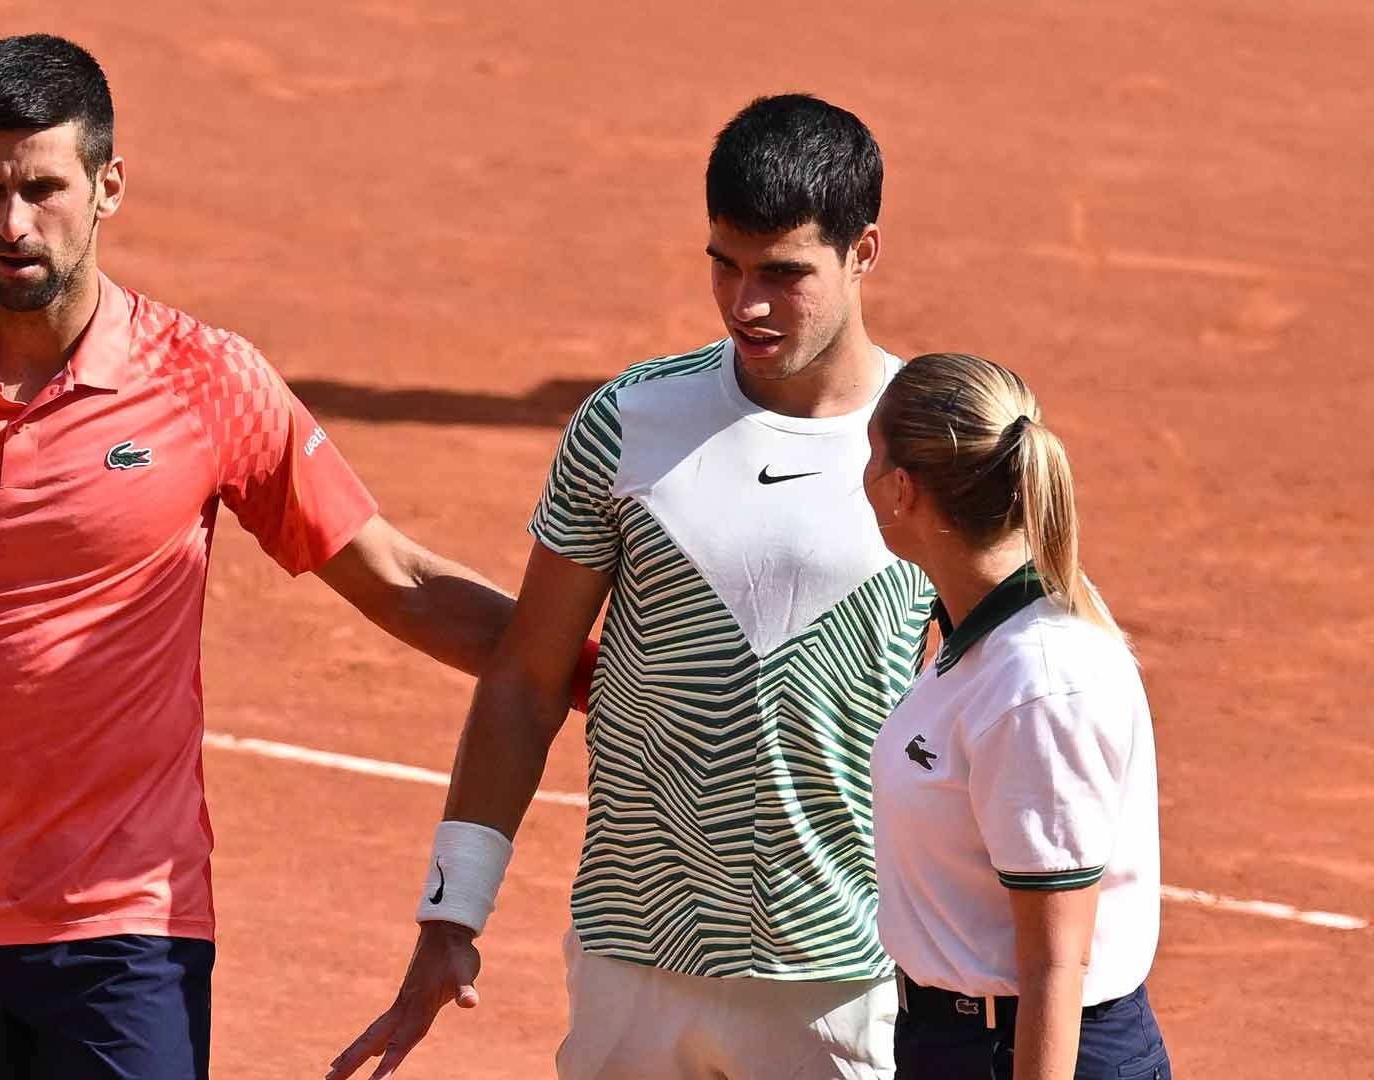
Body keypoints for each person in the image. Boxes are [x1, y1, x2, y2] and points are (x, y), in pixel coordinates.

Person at [0, 33, 580, 1080]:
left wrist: (602, 668)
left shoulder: (206, 382)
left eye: (44, 188)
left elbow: (401, 580)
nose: (13, 224)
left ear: (109, 186)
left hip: (132, 939)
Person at [329, 94, 933, 1080]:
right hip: (632, 961)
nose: (746, 303)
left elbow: (992, 704)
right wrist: (452, 910)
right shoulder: (627, 425)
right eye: (724, 263)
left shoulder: (934, 450)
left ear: (863, 251)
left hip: (841, 974)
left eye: (784, 272)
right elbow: (527, 677)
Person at [860, 352, 1169, 1079]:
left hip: (1025, 1052)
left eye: (870, 455)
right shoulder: (991, 625)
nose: (862, 476)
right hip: (956, 1042)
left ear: (902, 490)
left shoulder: (1039, 682)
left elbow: (1057, 962)